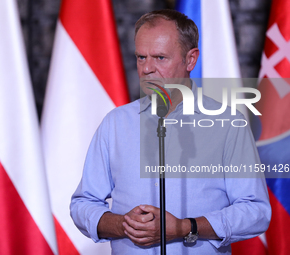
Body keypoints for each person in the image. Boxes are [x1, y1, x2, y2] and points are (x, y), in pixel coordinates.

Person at [70, 9, 271, 254]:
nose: (147, 68)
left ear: (191, 60)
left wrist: (185, 227)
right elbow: (83, 204)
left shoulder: (228, 124)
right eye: (141, 57)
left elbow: (256, 211)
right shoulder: (115, 124)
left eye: (160, 58)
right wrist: (124, 225)